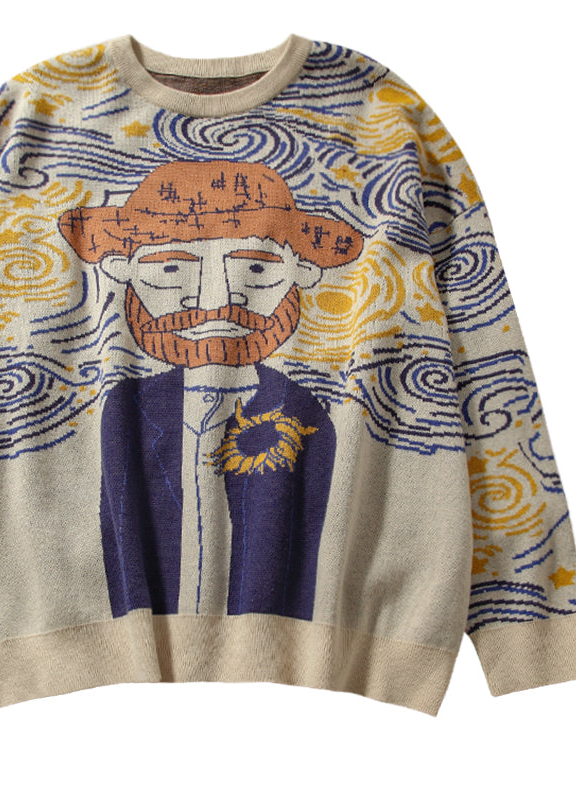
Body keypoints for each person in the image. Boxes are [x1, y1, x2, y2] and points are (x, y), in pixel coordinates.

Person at [58, 159, 364, 621]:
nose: (214, 301)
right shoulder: (125, 409)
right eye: (170, 269)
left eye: (255, 268)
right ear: (124, 271)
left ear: (300, 272)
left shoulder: (308, 415)